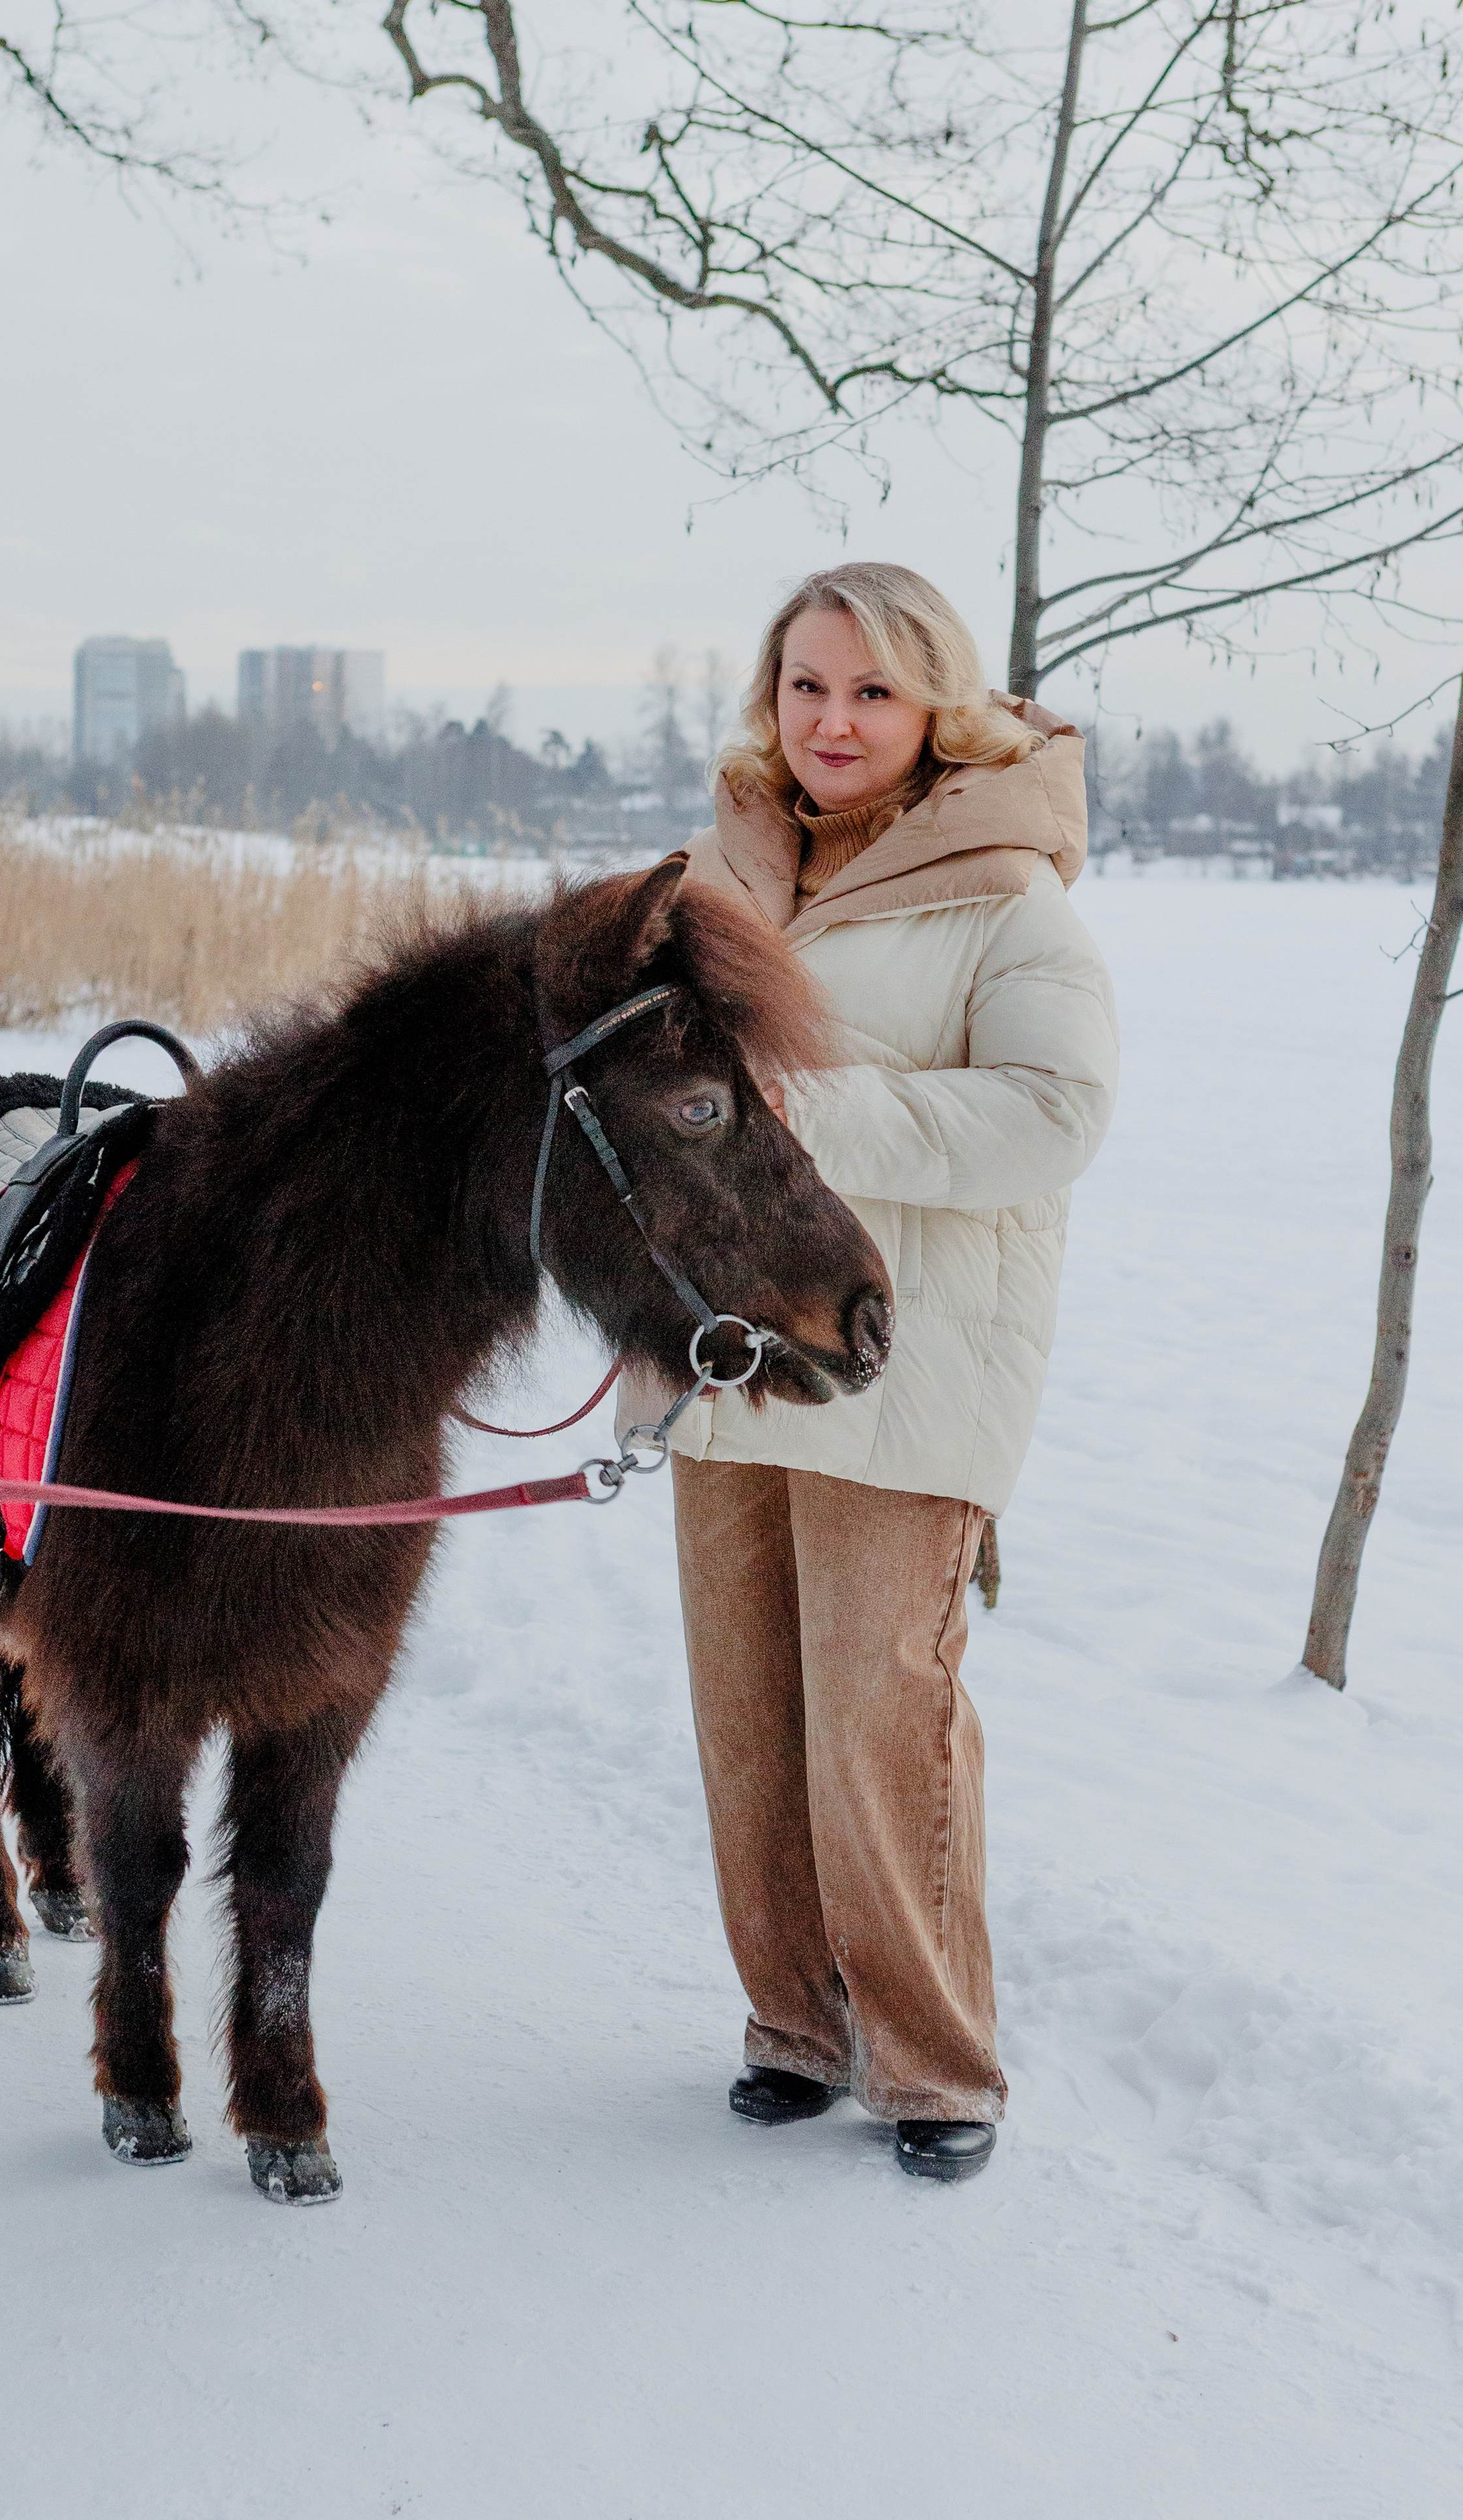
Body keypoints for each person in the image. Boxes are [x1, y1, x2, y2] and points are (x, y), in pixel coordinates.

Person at [634, 562, 1119, 2182]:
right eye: (804, 687)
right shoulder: (717, 877)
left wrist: (799, 1127)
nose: (831, 722)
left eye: (870, 691)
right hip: (726, 1360)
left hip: (905, 1366)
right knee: (748, 1724)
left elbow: (1054, 1116)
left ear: (936, 705)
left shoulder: (1003, 893)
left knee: (876, 1720)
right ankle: (794, 2027)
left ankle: (931, 2064)